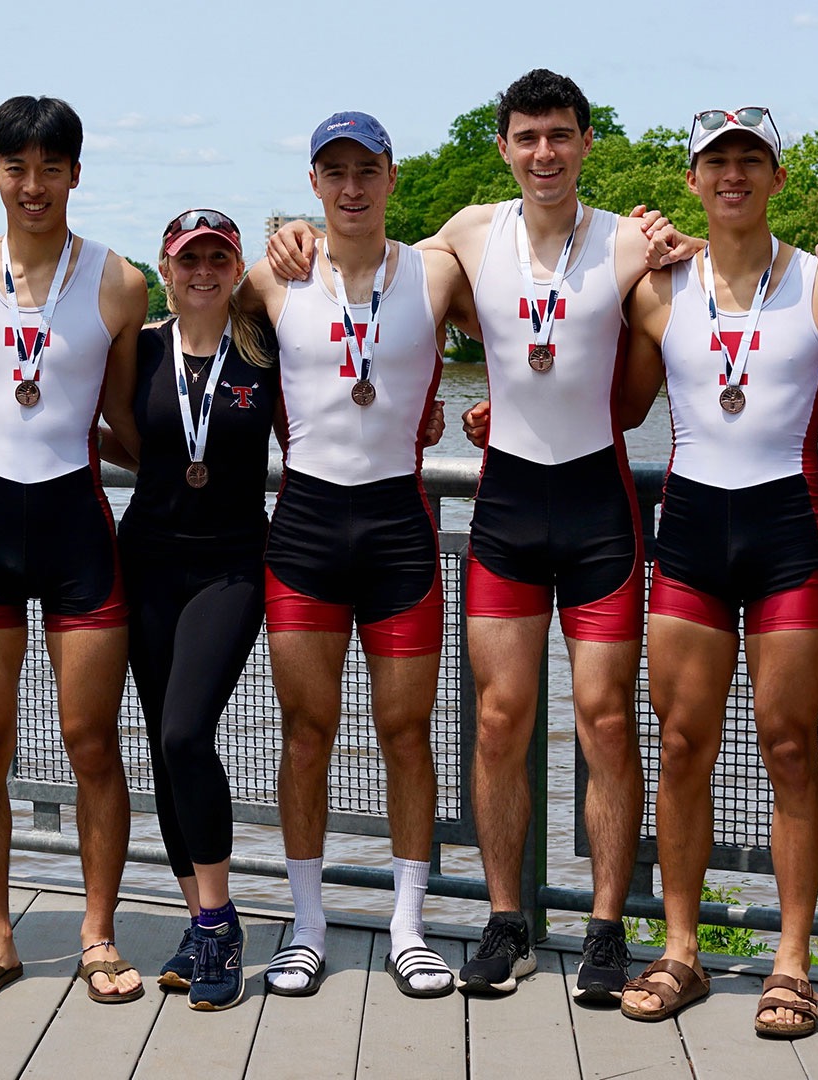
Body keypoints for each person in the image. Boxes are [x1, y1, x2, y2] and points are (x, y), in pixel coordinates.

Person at [265, 72, 818, 1000]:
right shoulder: (465, 236)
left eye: (560, 136)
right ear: (505, 147)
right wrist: (292, 235)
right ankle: (506, 921)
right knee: (499, 721)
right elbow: (375, 281)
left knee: (607, 720)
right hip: (505, 507)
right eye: (527, 137)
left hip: (597, 512)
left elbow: (723, 277)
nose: (543, 153)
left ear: (586, 143)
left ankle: (606, 929)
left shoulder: (636, 242)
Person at [608, 106, 818, 1033]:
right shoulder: (657, 291)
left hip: (785, 538)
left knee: (790, 745)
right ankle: (681, 952)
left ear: (776, 176)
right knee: (682, 745)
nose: (733, 174)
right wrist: (499, 408)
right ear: (693, 179)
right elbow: (613, 408)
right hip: (690, 534)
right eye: (716, 161)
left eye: (750, 160)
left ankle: (792, 962)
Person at [235, 111, 473, 1000]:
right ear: (313, 184)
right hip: (303, 527)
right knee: (307, 733)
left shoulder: (437, 272)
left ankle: (409, 926)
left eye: (366, 170)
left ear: (391, 176)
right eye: (333, 172)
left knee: (407, 733)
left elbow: (538, 327)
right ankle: (307, 925)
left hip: (397, 529)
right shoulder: (274, 274)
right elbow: (190, 316)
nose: (351, 187)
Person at [0, 95, 149, 1007]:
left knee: (90, 740)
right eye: (16, 168)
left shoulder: (121, 282)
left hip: (76, 530)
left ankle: (98, 934)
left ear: (74, 174)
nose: (33, 185)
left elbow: (129, 420)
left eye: (50, 168)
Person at [99, 209, 276, 1011]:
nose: (202, 271)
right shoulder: (140, 350)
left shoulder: (265, 346)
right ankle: (200, 919)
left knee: (183, 734)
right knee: (165, 750)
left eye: (217, 258)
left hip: (231, 568)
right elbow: (118, 432)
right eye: (188, 259)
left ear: (236, 268)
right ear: (165, 270)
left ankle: (221, 922)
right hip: (148, 560)